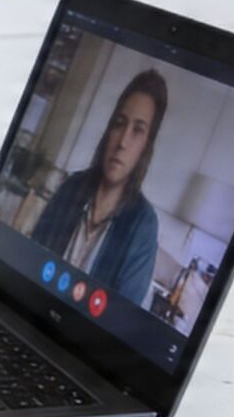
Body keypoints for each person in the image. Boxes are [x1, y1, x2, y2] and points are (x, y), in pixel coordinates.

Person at [25, 68, 168, 304]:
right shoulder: (70, 189)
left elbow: (121, 319)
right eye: (119, 124)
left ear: (146, 145)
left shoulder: (143, 225)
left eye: (138, 130)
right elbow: (29, 262)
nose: (123, 142)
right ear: (109, 130)